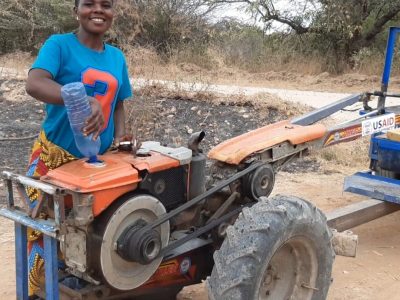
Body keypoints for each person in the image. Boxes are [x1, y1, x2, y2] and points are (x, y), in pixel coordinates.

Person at [25, 0, 132, 296]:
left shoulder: (116, 57)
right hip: (54, 161)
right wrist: (78, 98)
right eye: (89, 4)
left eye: (106, 5)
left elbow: (119, 102)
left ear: (113, 13)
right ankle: (38, 294)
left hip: (98, 167)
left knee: (91, 238)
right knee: (44, 235)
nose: (98, 10)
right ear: (76, 11)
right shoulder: (59, 45)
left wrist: (123, 140)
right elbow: (35, 83)